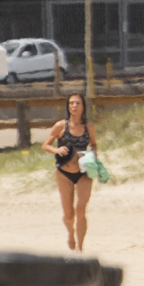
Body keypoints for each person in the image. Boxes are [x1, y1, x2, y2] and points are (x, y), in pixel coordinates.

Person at [49, 93, 97, 251]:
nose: (74, 106)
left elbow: (94, 144)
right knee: (69, 215)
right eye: (71, 103)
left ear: (83, 106)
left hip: (84, 171)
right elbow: (45, 145)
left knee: (81, 210)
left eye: (77, 103)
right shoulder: (61, 126)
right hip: (64, 173)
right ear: (68, 106)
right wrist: (56, 149)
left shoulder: (89, 127)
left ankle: (80, 248)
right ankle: (70, 234)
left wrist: (94, 154)